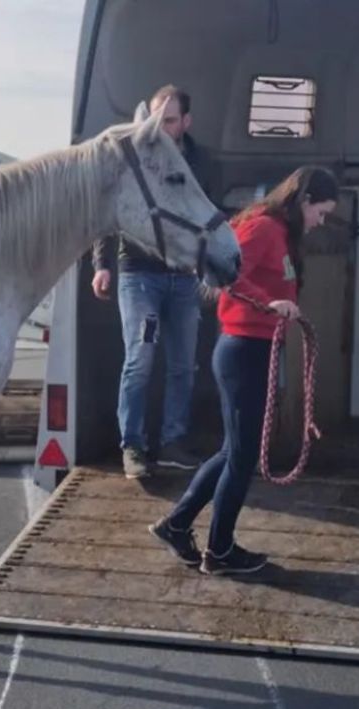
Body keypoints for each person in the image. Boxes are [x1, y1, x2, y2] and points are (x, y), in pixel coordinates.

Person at [148, 166, 339, 575]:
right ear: (304, 201)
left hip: (253, 349)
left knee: (233, 451)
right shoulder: (264, 228)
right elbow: (225, 274)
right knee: (242, 455)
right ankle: (218, 551)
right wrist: (268, 304)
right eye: (320, 212)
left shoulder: (280, 233)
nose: (320, 222)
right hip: (242, 350)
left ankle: (178, 525)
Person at [91, 84, 215, 479]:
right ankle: (133, 446)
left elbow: (207, 217)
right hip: (140, 274)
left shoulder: (202, 164)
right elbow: (109, 208)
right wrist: (101, 263)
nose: (162, 127)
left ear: (186, 123)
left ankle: (173, 443)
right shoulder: (135, 156)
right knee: (140, 360)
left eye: (171, 121)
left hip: (183, 279)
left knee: (183, 364)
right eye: (158, 119)